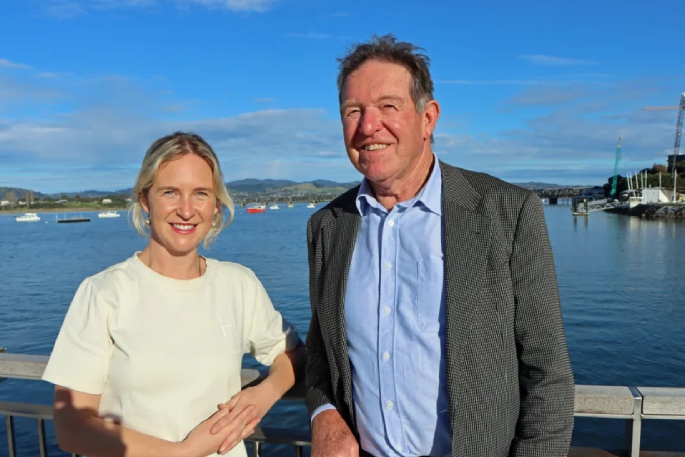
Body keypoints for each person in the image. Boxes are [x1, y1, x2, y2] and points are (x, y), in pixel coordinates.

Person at [305, 35, 575, 457]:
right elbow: (323, 348)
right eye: (352, 111)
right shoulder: (328, 226)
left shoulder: (507, 212)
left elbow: (549, 374)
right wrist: (324, 413)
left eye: (388, 106)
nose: (367, 126)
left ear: (427, 118)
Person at [42, 132, 305, 457]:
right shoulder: (104, 292)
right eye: (170, 192)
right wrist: (180, 452)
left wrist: (261, 397)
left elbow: (292, 353)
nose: (186, 210)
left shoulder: (238, 284)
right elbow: (72, 427)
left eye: (200, 194)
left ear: (216, 205)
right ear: (144, 199)